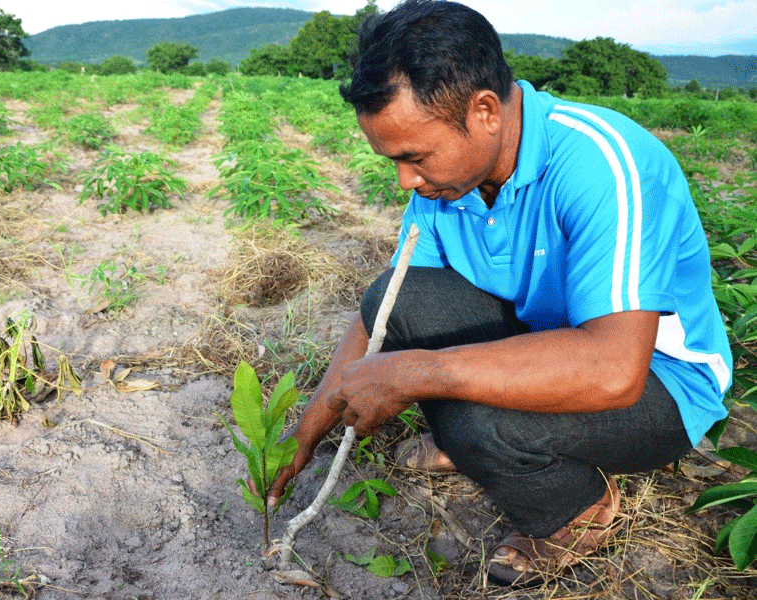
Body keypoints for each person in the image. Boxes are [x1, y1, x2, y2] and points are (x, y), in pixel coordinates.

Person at [257, 0, 733, 586]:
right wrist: (308, 427)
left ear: (483, 111)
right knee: (395, 298)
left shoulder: (603, 164)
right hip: (549, 341)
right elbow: (389, 311)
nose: (405, 181)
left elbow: (615, 369)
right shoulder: (449, 183)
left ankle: (577, 508)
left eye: (414, 157)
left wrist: (418, 375)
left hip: (660, 383)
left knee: (477, 421)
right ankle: (475, 441)